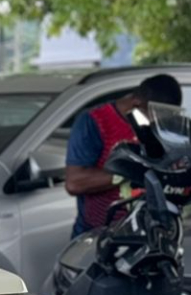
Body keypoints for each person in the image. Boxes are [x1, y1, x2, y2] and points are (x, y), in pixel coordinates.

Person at [64, 74, 183, 236]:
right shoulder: (94, 122)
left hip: (147, 232)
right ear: (137, 104)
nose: (158, 123)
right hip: (98, 236)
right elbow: (75, 182)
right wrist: (130, 171)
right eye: (155, 116)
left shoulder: (159, 126)